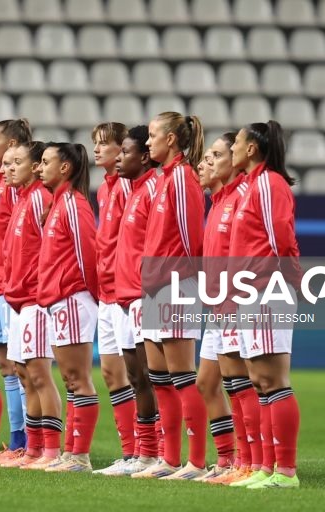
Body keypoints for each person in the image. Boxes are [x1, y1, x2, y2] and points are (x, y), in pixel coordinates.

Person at [132, 112, 208, 480]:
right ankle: (170, 458)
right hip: (156, 285)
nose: (148, 142)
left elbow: (192, 236)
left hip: (176, 285)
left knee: (182, 375)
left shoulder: (182, 178)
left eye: (152, 135)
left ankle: (195, 461)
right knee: (159, 376)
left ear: (172, 140)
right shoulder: (164, 179)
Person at [227, 121, 301, 489]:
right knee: (258, 379)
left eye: (237, 143)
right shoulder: (252, 186)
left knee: (273, 379)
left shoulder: (270, 184)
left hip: (267, 291)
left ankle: (285, 471)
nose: (233, 149)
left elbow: (281, 238)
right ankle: (266, 468)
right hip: (249, 292)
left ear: (253, 148)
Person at [37, 143, 99, 473]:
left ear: (65, 168)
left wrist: (90, 292)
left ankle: (80, 456)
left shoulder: (74, 204)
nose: (39, 167)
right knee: (71, 381)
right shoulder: (58, 204)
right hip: (61, 299)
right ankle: (71, 452)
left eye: (46, 162)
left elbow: (88, 252)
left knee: (78, 378)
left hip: (73, 297)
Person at [0, 141, 62, 469]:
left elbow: (48, 251)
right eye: (7, 163)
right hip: (20, 302)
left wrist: (41, 294)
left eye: (17, 162)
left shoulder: (39, 197)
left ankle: (49, 450)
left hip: (37, 300)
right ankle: (33, 448)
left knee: (38, 374)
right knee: (23, 373)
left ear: (35, 166)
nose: (8, 169)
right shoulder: (23, 198)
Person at [195, 136, 253, 483]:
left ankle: (248, 461)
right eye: (207, 156)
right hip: (216, 305)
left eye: (216, 155)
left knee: (240, 382)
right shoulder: (217, 202)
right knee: (207, 382)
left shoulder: (242, 197)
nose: (208, 163)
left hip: (234, 304)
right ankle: (228, 459)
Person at [88, 122, 140, 475]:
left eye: (104, 144)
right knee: (111, 372)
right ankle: (130, 451)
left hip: (124, 290)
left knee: (138, 373)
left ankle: (146, 450)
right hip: (106, 291)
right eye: (95, 143)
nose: (97, 149)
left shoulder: (125, 186)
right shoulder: (105, 189)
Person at [111, 125, 161, 475]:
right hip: (126, 295)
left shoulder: (155, 188)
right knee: (136, 376)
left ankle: (161, 453)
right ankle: (144, 454)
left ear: (144, 156)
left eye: (126, 151)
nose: (118, 157)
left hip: (147, 293)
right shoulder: (132, 190)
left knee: (156, 376)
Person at [0, 119, 33, 458]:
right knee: (6, 365)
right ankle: (16, 439)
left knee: (23, 365)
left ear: (12, 142)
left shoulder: (17, 184)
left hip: (11, 286)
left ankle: (31, 441)